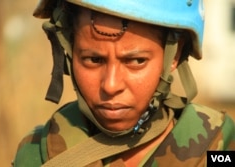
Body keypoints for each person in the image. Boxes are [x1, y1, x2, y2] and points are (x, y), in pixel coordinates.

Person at [12, 0, 235, 166]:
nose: (110, 85)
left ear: (173, 55)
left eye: (136, 61)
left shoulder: (217, 143)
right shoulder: (37, 154)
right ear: (69, 52)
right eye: (94, 60)